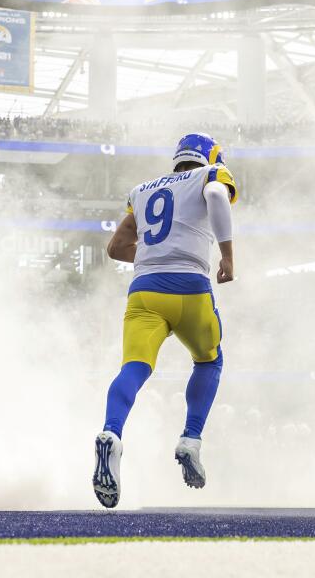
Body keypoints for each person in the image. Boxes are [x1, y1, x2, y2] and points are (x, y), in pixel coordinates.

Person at [93, 132, 237, 508]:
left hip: (144, 291)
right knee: (210, 360)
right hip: (191, 288)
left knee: (134, 368)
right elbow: (218, 196)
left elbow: (115, 248)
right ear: (208, 157)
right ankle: (190, 438)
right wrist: (227, 256)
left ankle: (112, 433)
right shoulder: (210, 174)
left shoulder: (141, 190)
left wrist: (157, 253)